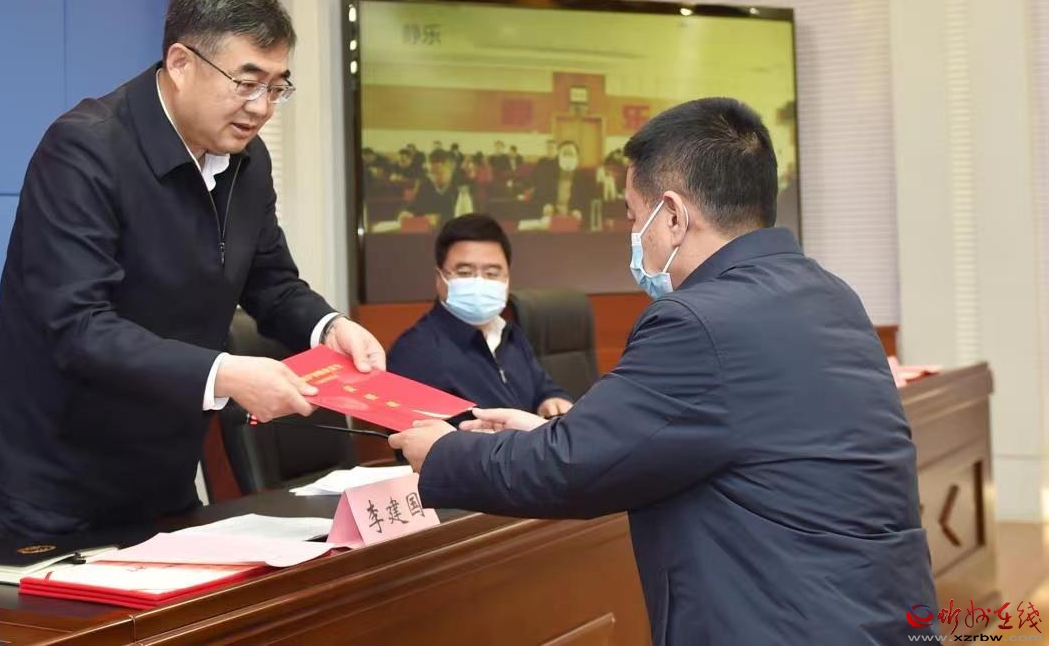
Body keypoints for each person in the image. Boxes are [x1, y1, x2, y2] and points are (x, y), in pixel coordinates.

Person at [391, 98, 937, 644]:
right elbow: (720, 435)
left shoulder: (698, 320)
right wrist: (552, 433)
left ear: (672, 216)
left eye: (634, 218)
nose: (634, 236)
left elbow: (572, 469)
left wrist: (445, 453)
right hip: (877, 613)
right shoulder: (830, 294)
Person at [0, 0, 386, 538]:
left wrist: (328, 328)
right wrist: (227, 373)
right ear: (181, 62)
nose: (262, 108)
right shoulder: (85, 150)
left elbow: (271, 281)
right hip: (56, 471)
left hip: (162, 460)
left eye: (277, 87)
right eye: (247, 83)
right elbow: (76, 325)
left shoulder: (247, 159)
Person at [387, 214, 573, 417]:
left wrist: (551, 399)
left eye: (492, 274)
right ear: (439, 279)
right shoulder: (415, 352)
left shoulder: (510, 334)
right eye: (465, 273)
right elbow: (414, 435)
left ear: (507, 278)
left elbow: (543, 388)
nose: (479, 283)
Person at [531, 140, 598, 219]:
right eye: (565, 154)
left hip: (574, 219)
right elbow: (537, 198)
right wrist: (545, 206)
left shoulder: (585, 179)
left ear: (577, 157)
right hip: (552, 217)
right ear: (558, 157)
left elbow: (590, 204)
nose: (568, 157)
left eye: (571, 154)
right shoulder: (547, 175)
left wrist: (579, 211)